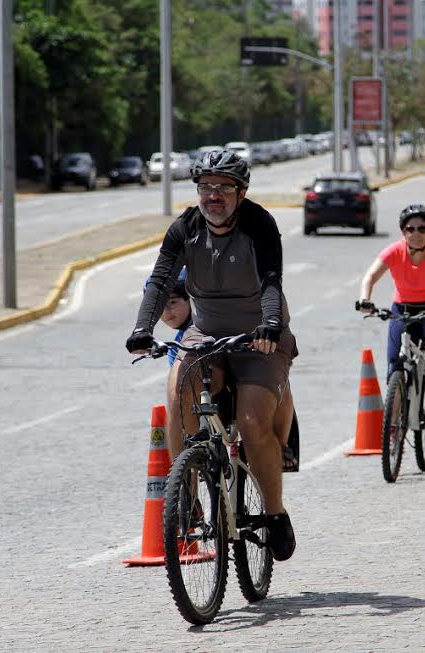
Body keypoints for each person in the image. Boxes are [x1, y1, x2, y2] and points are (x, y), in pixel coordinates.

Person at [126, 149, 297, 561]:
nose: (213, 196)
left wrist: (271, 325)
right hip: (207, 331)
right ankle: (186, 495)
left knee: (254, 421)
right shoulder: (184, 228)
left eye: (223, 187)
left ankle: (274, 514)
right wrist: (141, 329)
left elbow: (271, 279)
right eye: (205, 187)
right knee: (178, 388)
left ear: (241, 192)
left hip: (260, 333)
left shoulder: (259, 224)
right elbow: (160, 281)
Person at [151, 268, 300, 472]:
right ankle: (189, 491)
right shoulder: (185, 338)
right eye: (161, 306)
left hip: (248, 358)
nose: (167, 312)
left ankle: (280, 446)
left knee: (277, 381)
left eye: (174, 302)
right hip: (211, 398)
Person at [356, 204, 425, 403]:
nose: (415, 233)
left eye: (422, 229)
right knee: (394, 362)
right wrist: (365, 300)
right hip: (403, 310)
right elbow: (370, 276)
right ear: (403, 232)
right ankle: (394, 418)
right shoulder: (395, 251)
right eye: (409, 229)